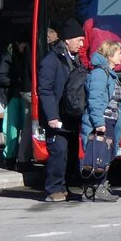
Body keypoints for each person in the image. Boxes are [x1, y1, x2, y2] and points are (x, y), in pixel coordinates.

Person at [37, 17, 87, 202]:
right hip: (57, 117)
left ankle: (64, 187)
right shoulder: (51, 61)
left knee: (70, 155)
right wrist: (52, 116)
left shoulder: (75, 59)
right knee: (58, 153)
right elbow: (45, 90)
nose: (82, 44)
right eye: (79, 40)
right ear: (67, 39)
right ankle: (53, 189)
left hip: (70, 116)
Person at [82, 40, 121, 201]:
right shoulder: (100, 73)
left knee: (103, 154)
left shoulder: (109, 73)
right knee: (99, 154)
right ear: (110, 55)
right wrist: (99, 123)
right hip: (103, 121)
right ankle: (96, 189)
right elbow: (95, 99)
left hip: (109, 120)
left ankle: (95, 189)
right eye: (119, 53)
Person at [0, 30, 31, 170]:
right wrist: (18, 82)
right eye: (23, 47)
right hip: (14, 96)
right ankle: (10, 158)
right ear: (17, 44)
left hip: (24, 95)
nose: (24, 50)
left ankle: (23, 157)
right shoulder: (10, 54)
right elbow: (1, 76)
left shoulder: (29, 53)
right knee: (12, 129)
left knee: (27, 129)